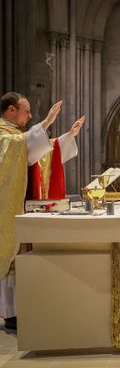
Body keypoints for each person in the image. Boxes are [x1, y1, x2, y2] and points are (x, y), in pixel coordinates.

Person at [0, 92, 85, 331]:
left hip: (22, 204)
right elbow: (22, 149)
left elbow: (37, 157)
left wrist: (67, 138)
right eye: (26, 111)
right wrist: (45, 123)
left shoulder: (17, 135)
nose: (29, 116)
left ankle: (22, 308)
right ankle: (10, 312)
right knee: (10, 256)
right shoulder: (3, 135)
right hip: (7, 207)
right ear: (11, 110)